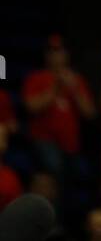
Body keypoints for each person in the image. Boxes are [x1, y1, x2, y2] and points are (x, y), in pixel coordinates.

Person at [22, 35, 96, 182]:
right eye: (52, 51)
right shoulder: (36, 78)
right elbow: (32, 107)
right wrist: (56, 86)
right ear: (46, 55)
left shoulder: (77, 80)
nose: (55, 55)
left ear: (66, 54)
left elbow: (90, 113)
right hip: (44, 141)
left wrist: (74, 89)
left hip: (71, 145)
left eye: (59, 51)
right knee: (55, 167)